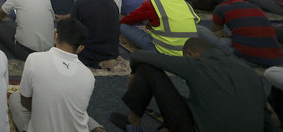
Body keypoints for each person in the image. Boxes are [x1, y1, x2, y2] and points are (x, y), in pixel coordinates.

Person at [109, 38, 274, 132]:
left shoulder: (196, 64)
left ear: (189, 54)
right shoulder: (251, 73)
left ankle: (133, 123)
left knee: (147, 69)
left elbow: (139, 55)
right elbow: (266, 118)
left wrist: (134, 73)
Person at [9, 19, 106, 132]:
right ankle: (97, 129)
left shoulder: (34, 59)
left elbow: (25, 102)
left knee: (15, 98)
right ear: (80, 48)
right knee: (75, 109)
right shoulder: (88, 75)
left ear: (55, 35)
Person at [120, 0, 200, 56]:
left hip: (164, 52)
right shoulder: (185, 3)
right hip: (188, 52)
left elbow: (129, 20)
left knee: (124, 27)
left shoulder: (152, 4)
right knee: (199, 29)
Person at [196, 0, 283, 67]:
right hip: (275, 59)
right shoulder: (255, 7)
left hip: (248, 59)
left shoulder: (220, 8)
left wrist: (223, 33)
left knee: (199, 29)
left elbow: (215, 31)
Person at [70, 0, 120, 68]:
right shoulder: (112, 3)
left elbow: (73, 32)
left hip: (89, 55)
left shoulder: (79, 5)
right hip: (112, 52)